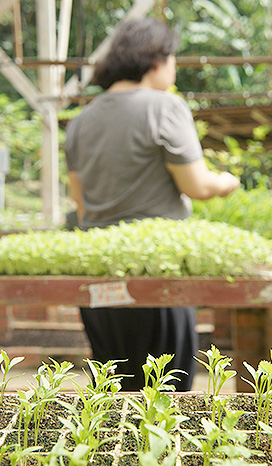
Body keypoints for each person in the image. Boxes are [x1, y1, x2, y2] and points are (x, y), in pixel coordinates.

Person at [64, 18, 240, 391]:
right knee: (167, 395)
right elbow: (198, 186)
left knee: (114, 398)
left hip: (99, 276)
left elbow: (79, 202)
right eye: (172, 58)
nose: (174, 68)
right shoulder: (164, 107)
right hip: (156, 274)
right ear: (155, 60)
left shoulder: (81, 120)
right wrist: (228, 182)